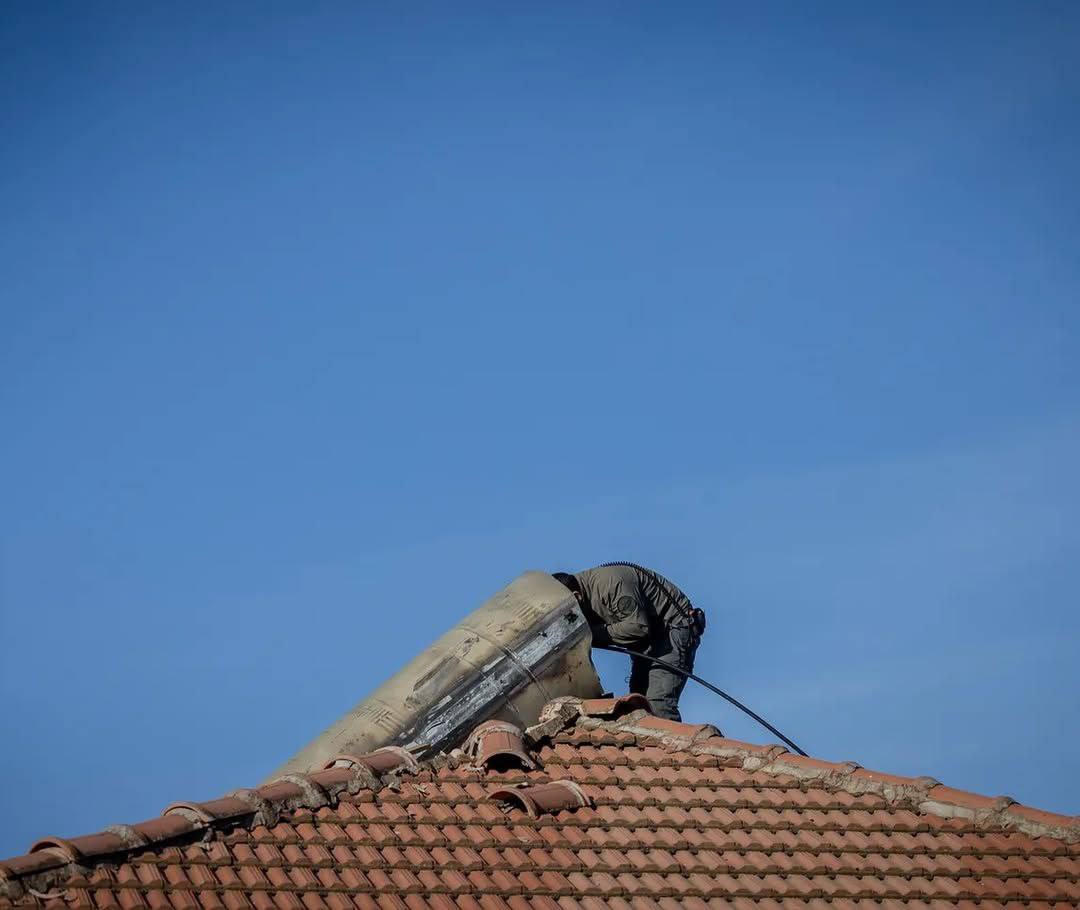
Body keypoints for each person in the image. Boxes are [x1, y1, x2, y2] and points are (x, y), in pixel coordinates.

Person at [552, 563, 706, 722]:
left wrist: (591, 634)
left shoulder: (611, 585)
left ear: (577, 596)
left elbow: (638, 627)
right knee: (638, 705)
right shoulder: (580, 595)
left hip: (672, 630)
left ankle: (676, 744)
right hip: (647, 643)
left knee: (658, 703)